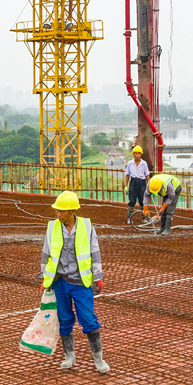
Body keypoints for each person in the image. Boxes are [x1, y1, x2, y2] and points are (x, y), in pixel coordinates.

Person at [41, 191, 108, 373]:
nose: (57, 214)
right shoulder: (52, 227)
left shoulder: (86, 226)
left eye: (61, 211)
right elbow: (46, 254)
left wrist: (98, 276)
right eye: (57, 211)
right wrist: (45, 278)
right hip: (60, 282)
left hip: (81, 282)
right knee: (64, 319)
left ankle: (98, 359)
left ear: (72, 211)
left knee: (88, 320)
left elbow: (95, 252)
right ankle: (69, 356)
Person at [123, 146, 150, 223]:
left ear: (141, 154)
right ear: (133, 154)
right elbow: (127, 175)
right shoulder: (130, 163)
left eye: (139, 153)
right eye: (136, 153)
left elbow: (147, 176)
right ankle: (129, 218)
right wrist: (126, 186)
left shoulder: (144, 163)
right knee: (132, 201)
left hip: (142, 183)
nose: (137, 155)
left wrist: (149, 186)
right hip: (133, 182)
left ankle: (144, 218)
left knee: (143, 201)